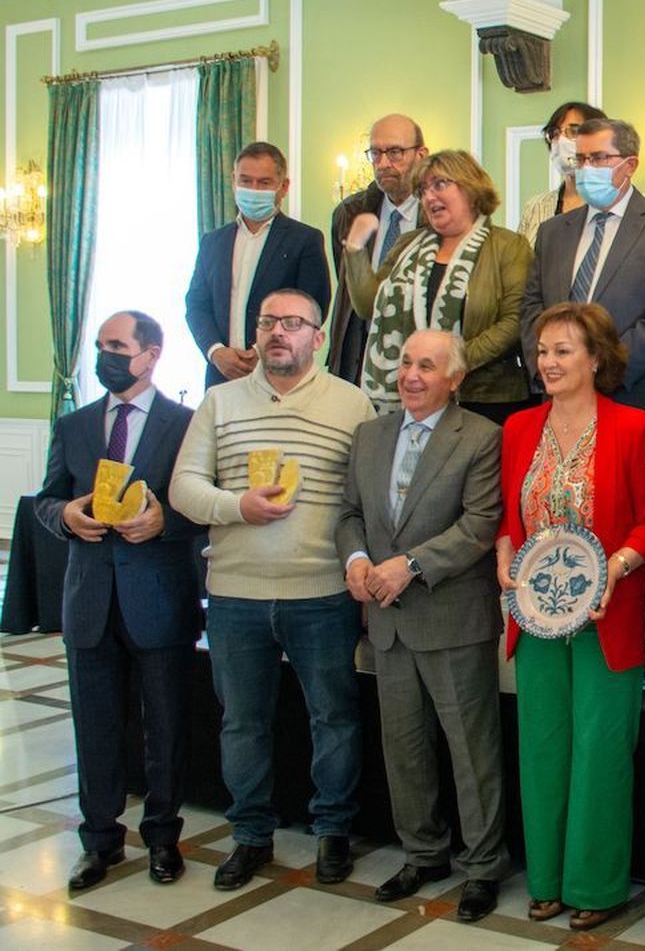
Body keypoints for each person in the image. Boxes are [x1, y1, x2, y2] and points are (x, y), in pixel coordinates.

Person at [169, 288, 375, 891]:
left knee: (333, 717)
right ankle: (251, 836)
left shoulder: (352, 404)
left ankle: (332, 831)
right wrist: (236, 506)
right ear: (255, 334)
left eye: (293, 323)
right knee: (242, 723)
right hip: (236, 594)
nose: (278, 332)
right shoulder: (219, 401)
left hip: (321, 593)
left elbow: (361, 504)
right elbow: (183, 488)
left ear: (318, 334)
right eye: (267, 322)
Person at [335, 329, 508, 922]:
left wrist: (410, 566)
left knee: (471, 751)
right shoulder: (369, 435)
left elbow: (481, 523)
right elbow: (350, 514)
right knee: (403, 748)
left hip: (452, 618)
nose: (410, 375)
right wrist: (357, 560)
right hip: (386, 622)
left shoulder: (482, 438)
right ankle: (423, 853)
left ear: (455, 379)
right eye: (406, 362)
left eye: (427, 366)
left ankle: (483, 867)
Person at [497, 302, 645, 931]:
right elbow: (511, 519)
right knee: (541, 746)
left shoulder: (633, 426)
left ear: (596, 358)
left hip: (604, 613)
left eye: (563, 350)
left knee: (601, 748)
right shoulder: (518, 427)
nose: (549, 362)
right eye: (542, 350)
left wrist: (616, 565)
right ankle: (547, 880)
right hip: (534, 615)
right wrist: (504, 551)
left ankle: (597, 884)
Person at [35, 310, 203, 890]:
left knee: (165, 726)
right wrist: (66, 515)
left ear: (151, 354)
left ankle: (162, 838)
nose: (106, 355)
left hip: (158, 597)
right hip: (89, 600)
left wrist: (166, 520)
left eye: (118, 345)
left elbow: (200, 506)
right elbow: (46, 499)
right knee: (96, 726)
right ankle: (99, 841)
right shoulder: (75, 424)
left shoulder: (186, 424)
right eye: (101, 345)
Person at [342, 149, 534, 422]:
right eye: (422, 190)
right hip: (413, 401)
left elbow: (515, 321)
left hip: (485, 401)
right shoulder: (408, 244)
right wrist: (355, 249)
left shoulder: (508, 246)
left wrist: (451, 363)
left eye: (439, 185)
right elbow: (369, 307)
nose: (429, 196)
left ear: (471, 188)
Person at [521, 118, 645, 412]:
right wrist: (548, 365)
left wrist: (600, 368)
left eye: (599, 158)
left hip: (631, 392)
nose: (587, 168)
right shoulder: (553, 231)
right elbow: (531, 307)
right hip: (558, 397)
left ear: (630, 165)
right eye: (581, 159)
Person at [186, 141, 330, 388]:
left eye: (264, 183)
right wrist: (216, 352)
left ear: (283, 186)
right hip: (220, 375)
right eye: (245, 180)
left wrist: (262, 350)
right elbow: (197, 304)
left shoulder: (305, 240)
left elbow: (313, 307)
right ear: (234, 180)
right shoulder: (213, 242)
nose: (253, 189)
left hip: (281, 373)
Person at [327, 114, 429, 382]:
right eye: (375, 153)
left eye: (395, 152)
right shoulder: (349, 213)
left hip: (420, 358)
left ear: (421, 154)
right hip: (358, 357)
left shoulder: (437, 215)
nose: (383, 164)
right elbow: (347, 288)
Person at [518, 100, 607, 241]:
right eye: (554, 133)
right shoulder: (535, 207)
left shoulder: (614, 206)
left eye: (574, 131)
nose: (561, 140)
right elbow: (521, 259)